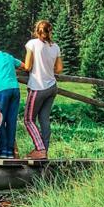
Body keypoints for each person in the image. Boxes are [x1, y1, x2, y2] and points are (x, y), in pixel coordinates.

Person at [22, 19, 62, 160]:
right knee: (44, 119)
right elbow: (59, 69)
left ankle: (40, 150)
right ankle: (44, 150)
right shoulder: (55, 47)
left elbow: (27, 66)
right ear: (50, 31)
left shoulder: (32, 44)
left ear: (37, 30)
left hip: (37, 86)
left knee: (28, 119)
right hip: (52, 86)